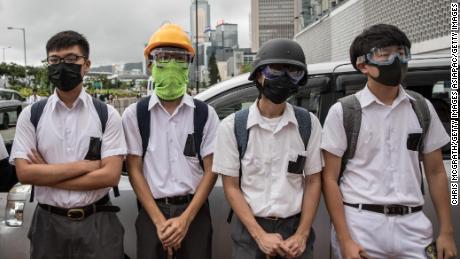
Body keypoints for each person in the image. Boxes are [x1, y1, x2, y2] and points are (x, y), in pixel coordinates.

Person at [321, 24, 457, 259]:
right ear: (362, 65)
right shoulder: (343, 112)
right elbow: (330, 178)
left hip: (414, 225)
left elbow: (435, 172)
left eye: (401, 53)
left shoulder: (421, 108)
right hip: (361, 225)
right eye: (385, 55)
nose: (396, 60)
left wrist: (446, 231)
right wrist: (345, 240)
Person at [9, 30, 127, 259]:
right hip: (48, 225)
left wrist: (46, 173)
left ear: (86, 65)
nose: (62, 66)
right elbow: (24, 173)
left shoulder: (107, 115)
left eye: (71, 59)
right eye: (54, 60)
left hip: (98, 223)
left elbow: (110, 176)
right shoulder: (31, 115)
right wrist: (84, 167)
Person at [213, 38, 322, 259]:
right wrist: (259, 235)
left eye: (293, 72)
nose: (283, 78)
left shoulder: (308, 124)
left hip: (294, 229)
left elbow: (313, 180)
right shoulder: (234, 127)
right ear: (258, 75)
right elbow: (231, 187)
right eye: (275, 70)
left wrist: (302, 234)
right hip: (250, 231)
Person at [122, 23, 220, 259]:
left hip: (194, 212)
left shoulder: (205, 114)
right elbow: (134, 170)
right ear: (150, 65)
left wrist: (185, 220)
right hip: (151, 211)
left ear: (189, 64)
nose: (172, 64)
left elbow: (211, 170)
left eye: (180, 58)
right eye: (163, 57)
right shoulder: (135, 115)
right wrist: (159, 222)